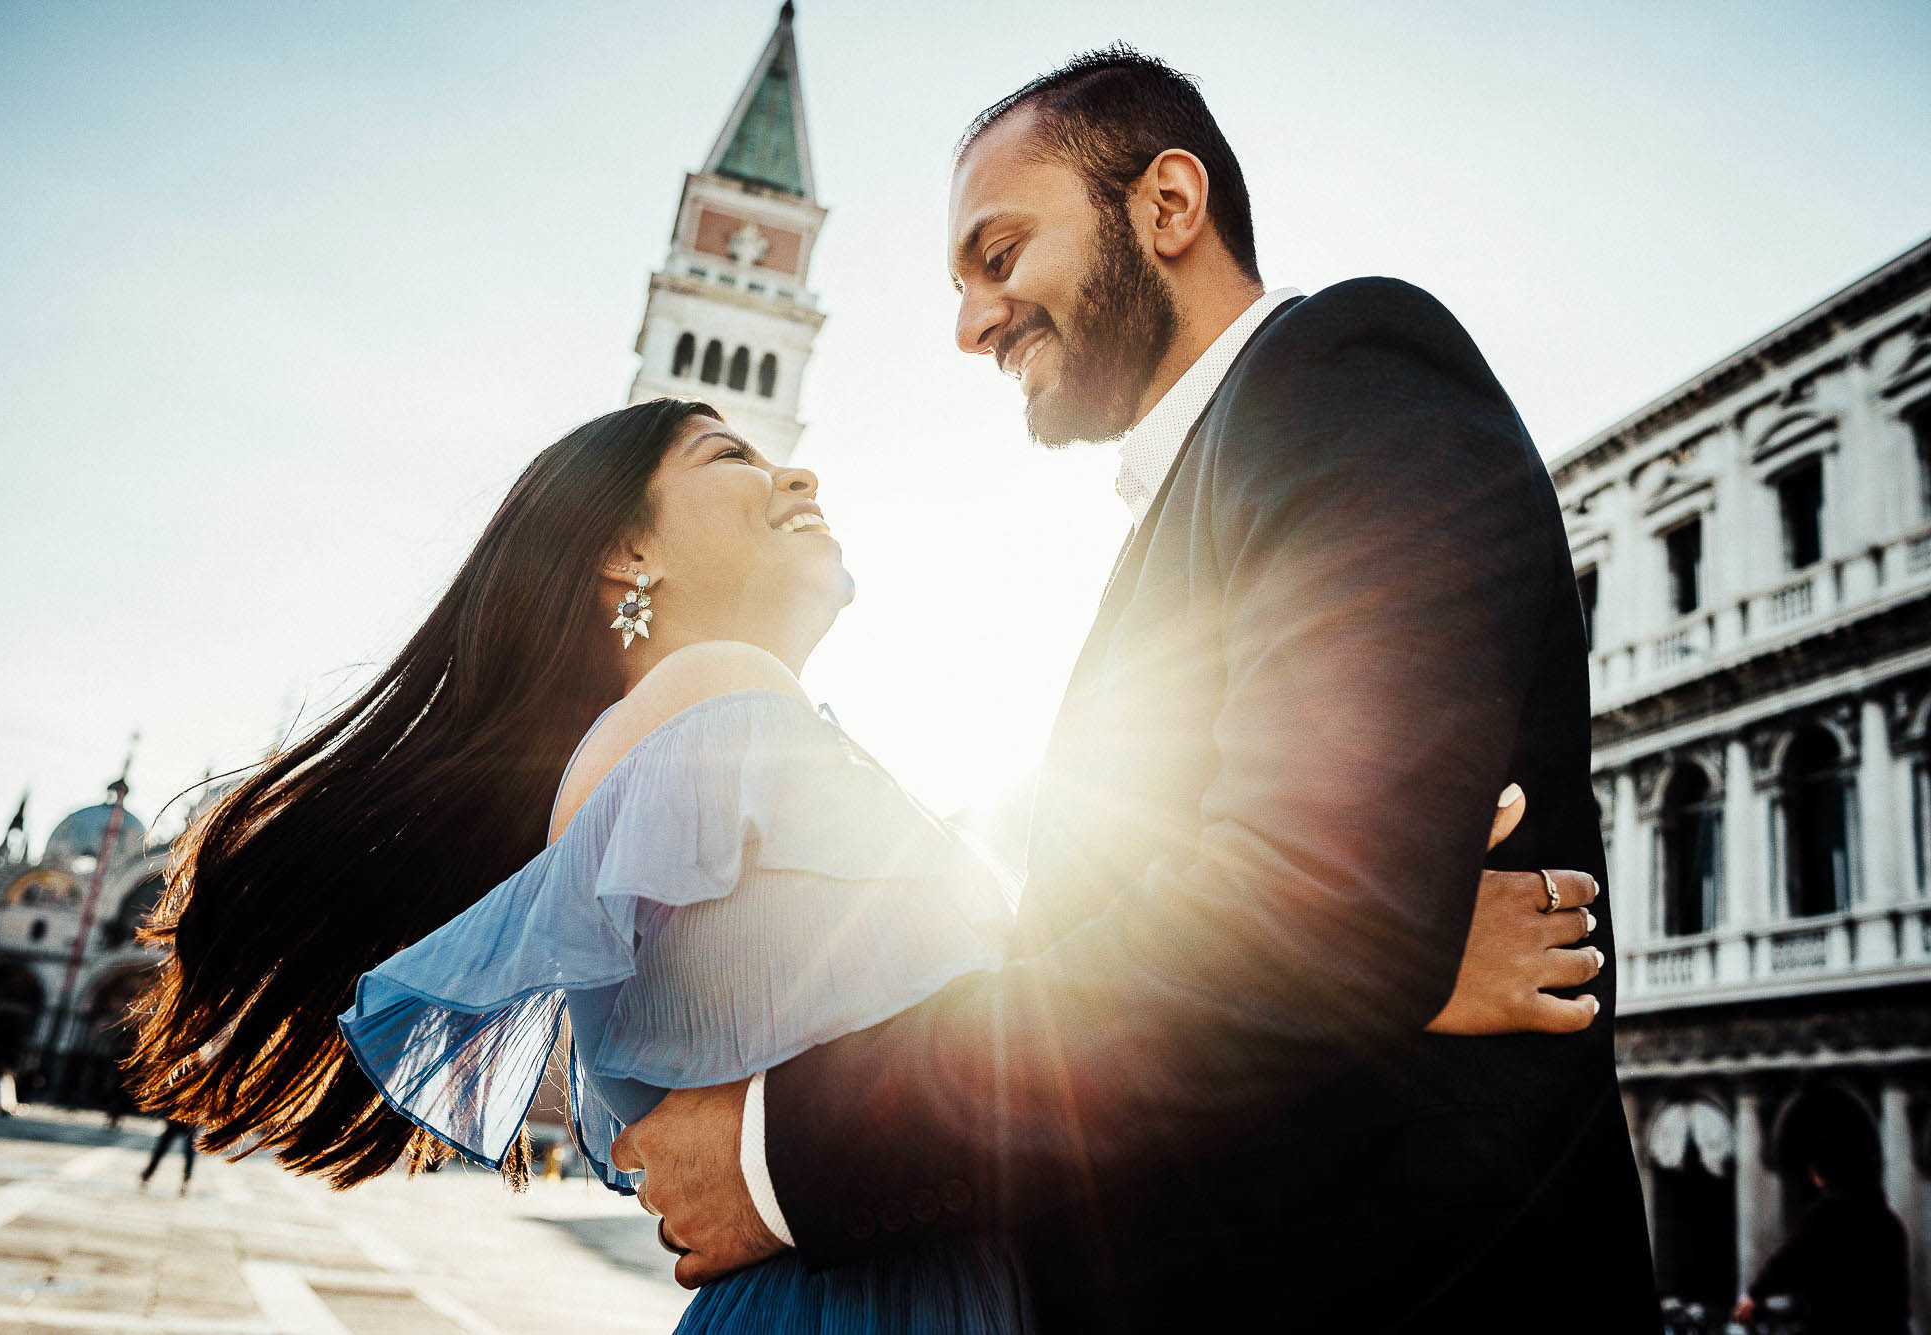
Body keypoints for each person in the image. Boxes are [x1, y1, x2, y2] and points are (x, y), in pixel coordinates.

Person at [130, 397, 1601, 1332]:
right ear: (618, 559)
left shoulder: (721, 731)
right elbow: (1037, 1023)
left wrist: (1338, 883)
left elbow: (1017, 1003)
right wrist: (1363, 932)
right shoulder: (714, 704)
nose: (797, 469)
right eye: (731, 455)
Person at [612, 48, 1659, 1333]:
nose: (967, 323)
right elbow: (1276, 923)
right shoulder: (1192, 500)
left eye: (997, 256)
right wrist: (1387, 961)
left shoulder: (1349, 373)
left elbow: (1300, 909)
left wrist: (785, 1158)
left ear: (1167, 206)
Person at [1733, 1140, 1910, 1334]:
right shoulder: (1890, 1221)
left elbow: (1789, 1260)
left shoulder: (1827, 1215)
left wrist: (1754, 1294)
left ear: (1822, 1175)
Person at [140, 1117, 198, 1195]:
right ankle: (147, 1175)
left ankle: (186, 1180)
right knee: (162, 1150)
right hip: (177, 1121)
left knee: (188, 1153)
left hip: (187, 1123)